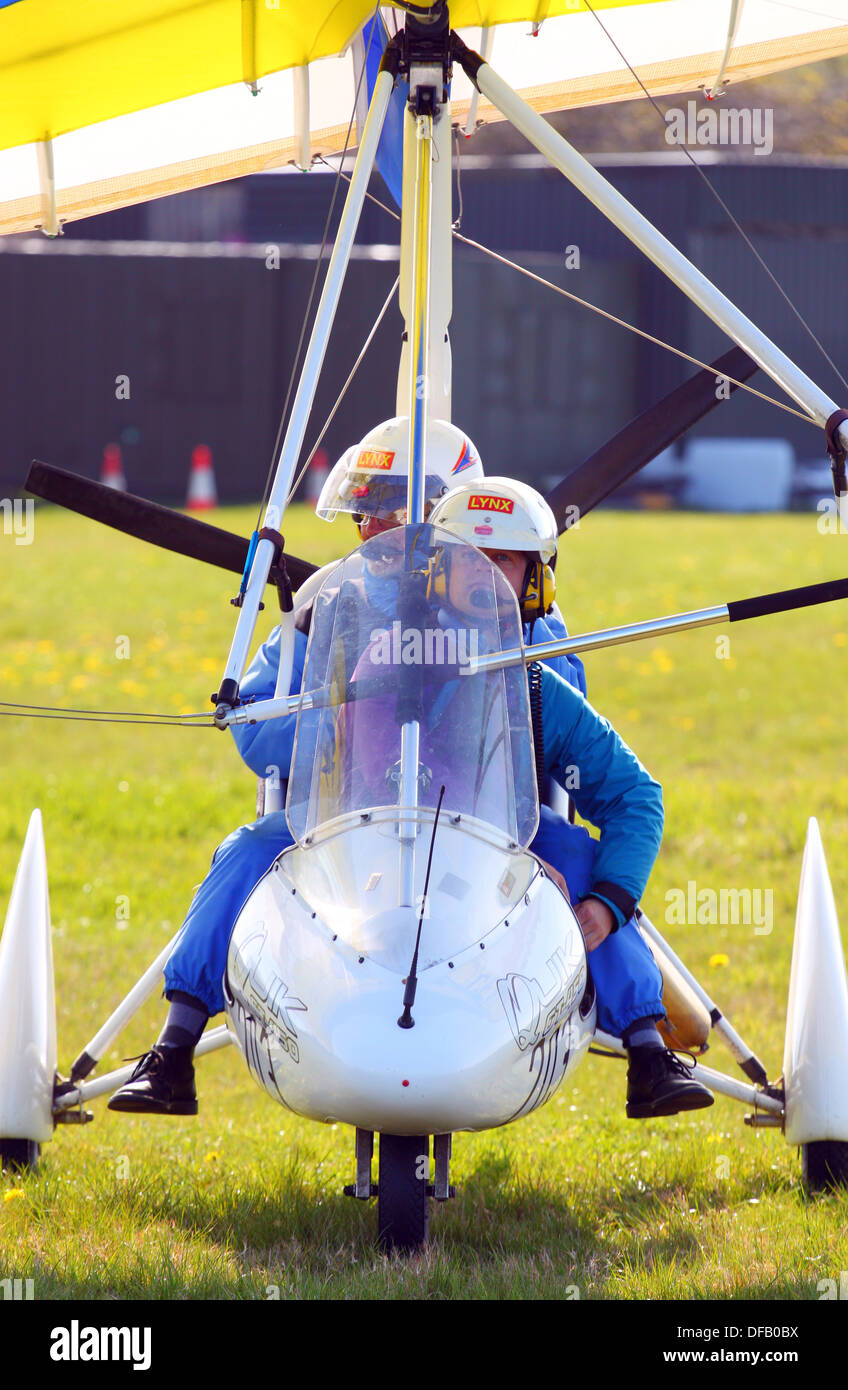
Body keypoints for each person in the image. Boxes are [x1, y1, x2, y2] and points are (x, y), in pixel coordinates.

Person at [105, 436, 596, 1116]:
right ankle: (176, 1043)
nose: (370, 527)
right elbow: (261, 734)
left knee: (594, 867)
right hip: (346, 819)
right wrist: (329, 708)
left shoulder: (519, 607)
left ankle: (643, 1036)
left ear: (441, 513)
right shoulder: (327, 602)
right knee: (244, 850)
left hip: (485, 823)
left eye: (389, 510)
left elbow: (553, 724)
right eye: (362, 513)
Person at [426, 478, 713, 1119]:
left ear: (535, 580)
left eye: (502, 558)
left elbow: (636, 799)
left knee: (578, 858)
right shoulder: (389, 669)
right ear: (439, 572)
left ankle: (646, 1048)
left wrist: (606, 906)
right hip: (399, 842)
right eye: (469, 557)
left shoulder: (537, 689)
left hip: (516, 842)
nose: (484, 574)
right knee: (250, 851)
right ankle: (180, 1027)